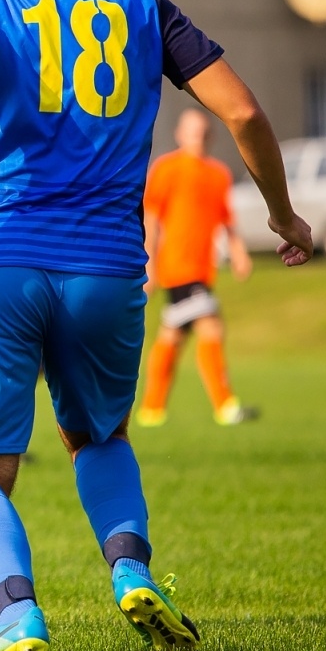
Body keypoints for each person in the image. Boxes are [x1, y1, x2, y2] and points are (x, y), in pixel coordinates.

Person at [0, 0, 313, 651]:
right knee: (98, 434)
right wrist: (282, 213)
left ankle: (18, 617)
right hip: (110, 268)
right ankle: (129, 570)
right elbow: (244, 109)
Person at [136, 109, 256, 428]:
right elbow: (153, 218)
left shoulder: (218, 174)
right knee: (211, 326)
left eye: (203, 132)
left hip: (202, 269)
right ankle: (225, 405)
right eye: (192, 131)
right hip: (176, 265)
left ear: (211, 136)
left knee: (172, 337)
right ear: (180, 134)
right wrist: (149, 260)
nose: (197, 137)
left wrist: (239, 252)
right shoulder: (167, 169)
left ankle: (151, 409)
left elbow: (226, 220)